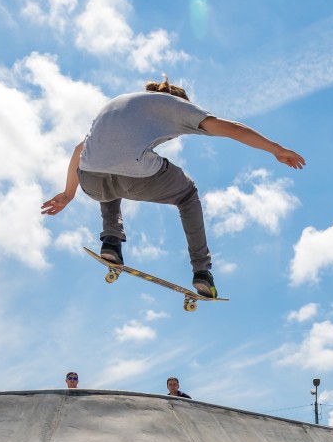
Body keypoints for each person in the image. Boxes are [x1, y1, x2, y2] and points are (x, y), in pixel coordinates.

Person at [41, 76, 306, 298]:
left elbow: (81, 149)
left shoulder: (119, 103)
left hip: (88, 178)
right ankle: (202, 271)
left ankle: (111, 241)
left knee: (110, 180)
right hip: (131, 174)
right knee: (188, 194)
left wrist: (68, 194)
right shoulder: (177, 106)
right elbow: (233, 129)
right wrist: (277, 149)